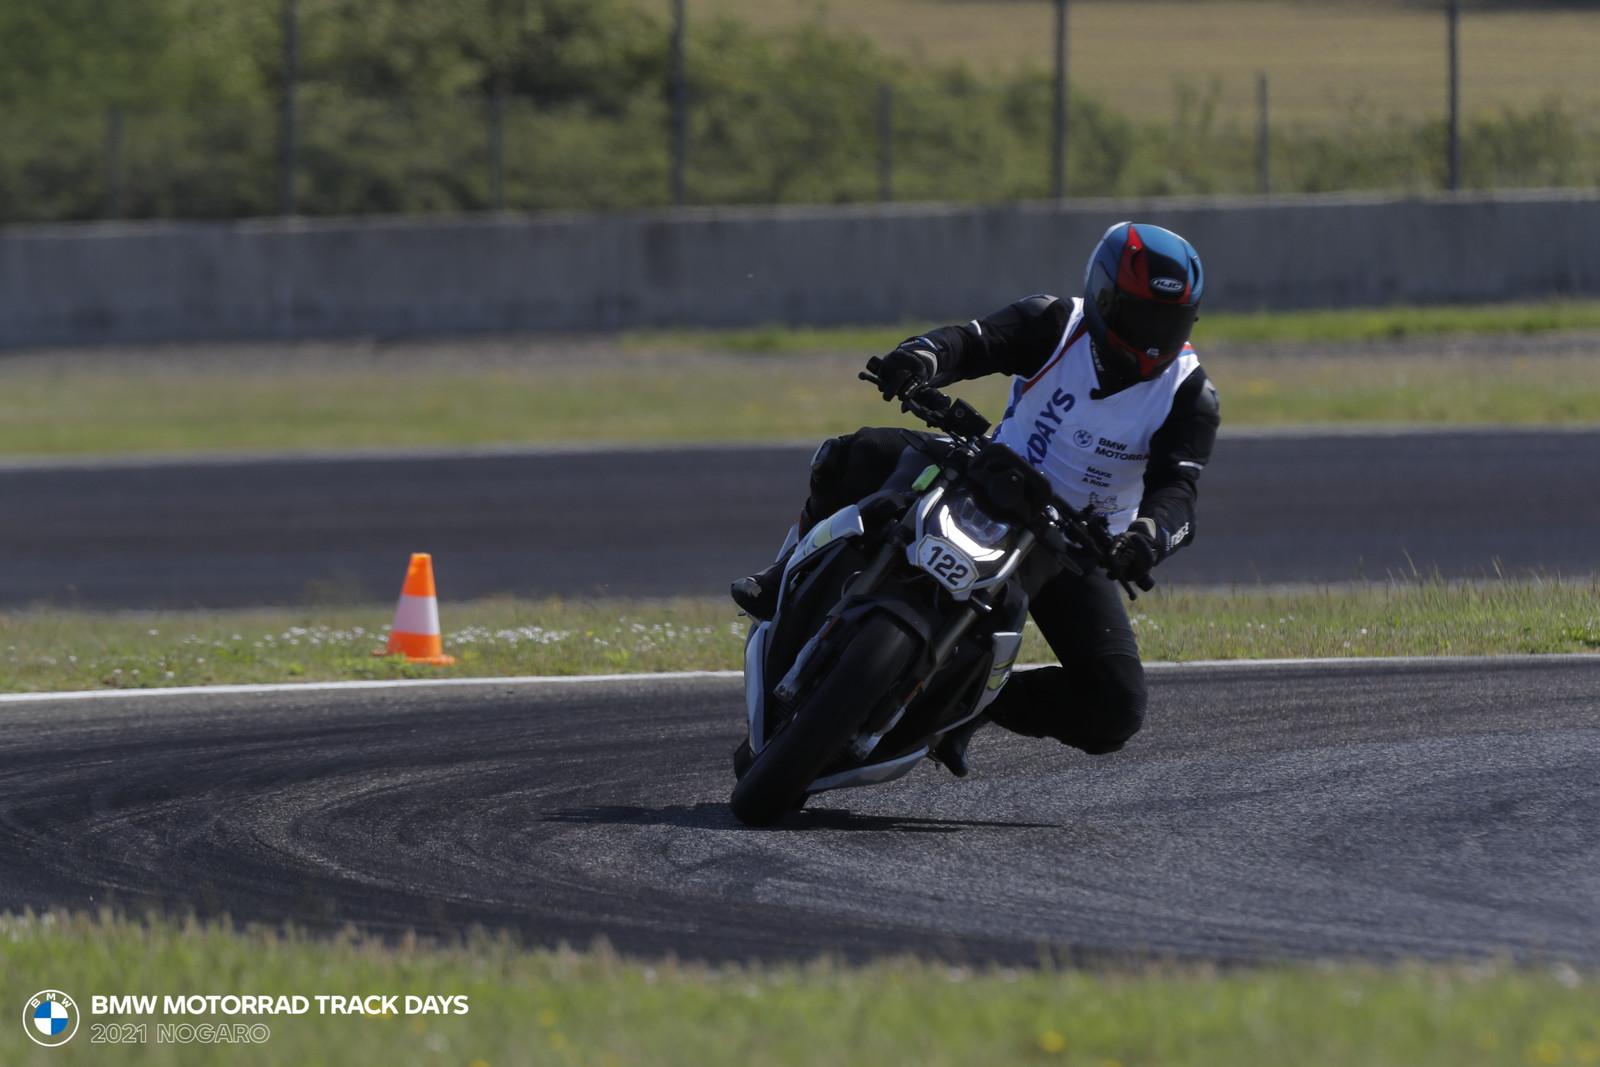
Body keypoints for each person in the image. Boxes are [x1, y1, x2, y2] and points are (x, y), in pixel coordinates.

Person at [732, 221, 1220, 774]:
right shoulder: (1056, 321)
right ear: (1104, 296)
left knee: (1117, 706)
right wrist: (920, 358)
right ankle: (781, 579)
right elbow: (972, 343)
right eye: (1142, 316)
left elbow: (1178, 491)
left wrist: (1148, 537)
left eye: (1171, 322)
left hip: (1073, 542)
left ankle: (963, 708)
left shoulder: (1190, 395)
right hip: (985, 474)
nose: (1154, 337)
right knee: (853, 455)